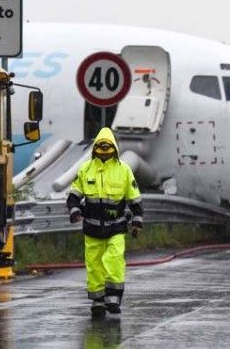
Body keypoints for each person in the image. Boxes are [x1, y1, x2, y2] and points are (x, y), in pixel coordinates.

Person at [67, 127, 143, 317]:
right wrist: (75, 211)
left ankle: (113, 298)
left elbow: (135, 199)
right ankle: (98, 301)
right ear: (95, 148)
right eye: (101, 147)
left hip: (116, 226)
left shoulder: (123, 170)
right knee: (94, 266)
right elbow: (73, 196)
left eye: (107, 147)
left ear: (114, 148)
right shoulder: (85, 170)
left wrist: (137, 222)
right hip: (92, 228)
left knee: (114, 260)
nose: (104, 151)